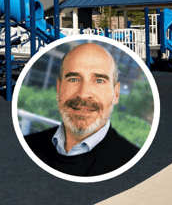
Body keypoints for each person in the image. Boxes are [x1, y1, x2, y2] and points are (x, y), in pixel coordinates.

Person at [24, 42, 139, 176]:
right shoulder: (28, 146)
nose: (83, 94)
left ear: (116, 93)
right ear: (58, 87)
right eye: (73, 79)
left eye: (99, 81)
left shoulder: (133, 163)